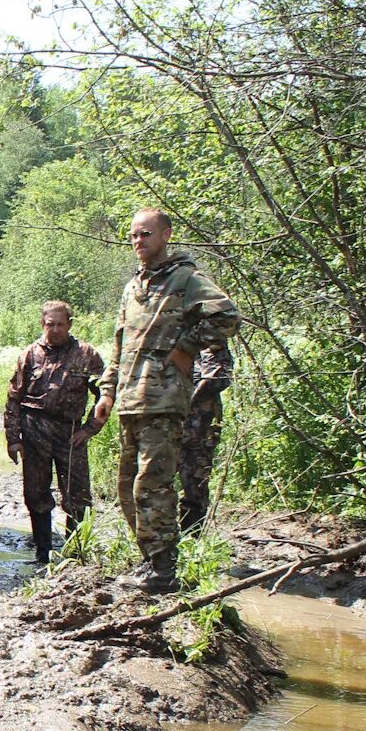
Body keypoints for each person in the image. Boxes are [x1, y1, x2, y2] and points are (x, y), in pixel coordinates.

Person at [90, 209, 241, 594]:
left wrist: (187, 346)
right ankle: (149, 560)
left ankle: (163, 571)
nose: (138, 241)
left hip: (164, 400)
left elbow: (228, 315)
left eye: (146, 234)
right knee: (128, 487)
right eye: (133, 236)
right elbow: (120, 345)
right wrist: (107, 391)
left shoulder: (185, 278)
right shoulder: (132, 288)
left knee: (152, 486)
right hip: (130, 400)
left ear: (166, 235)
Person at [4, 300, 106, 565]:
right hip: (34, 429)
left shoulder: (86, 354)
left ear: (70, 325)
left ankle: (75, 554)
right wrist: (13, 439)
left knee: (78, 495)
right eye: (51, 324)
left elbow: (105, 393)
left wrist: (90, 428)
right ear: (43, 324)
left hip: (70, 433)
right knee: (36, 493)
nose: (56, 329)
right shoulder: (29, 355)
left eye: (61, 324)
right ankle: (43, 551)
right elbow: (13, 398)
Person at [178, 342, 234, 533]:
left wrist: (189, 396)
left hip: (200, 431)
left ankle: (191, 537)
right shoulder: (171, 342)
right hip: (168, 426)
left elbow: (219, 379)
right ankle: (164, 540)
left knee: (195, 484)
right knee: (159, 482)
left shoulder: (213, 348)